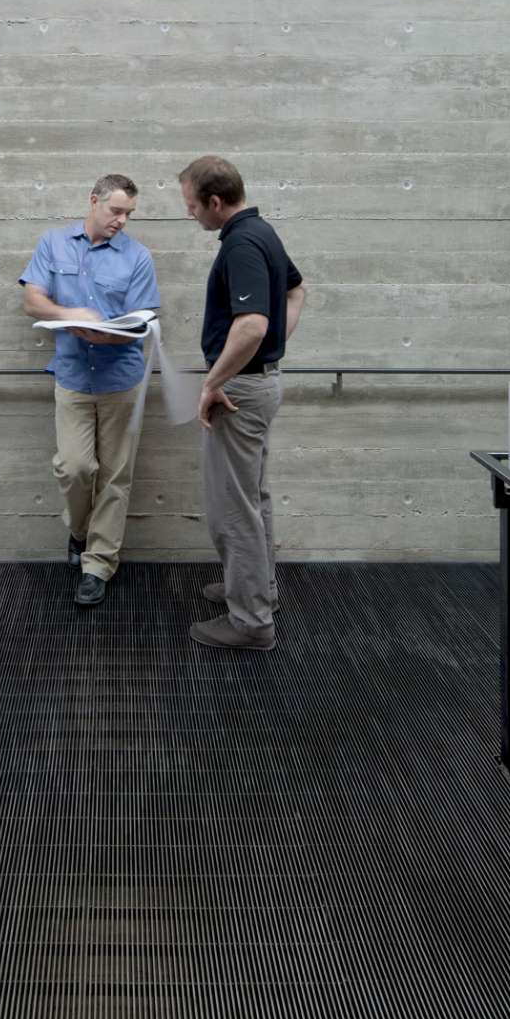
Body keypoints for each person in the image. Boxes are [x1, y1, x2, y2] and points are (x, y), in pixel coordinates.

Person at [177, 156, 306, 651]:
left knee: (234, 507)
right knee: (253, 497)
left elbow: (250, 325)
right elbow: (296, 291)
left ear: (215, 201)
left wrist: (214, 382)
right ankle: (256, 590)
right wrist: (275, 348)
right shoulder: (263, 232)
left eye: (191, 205)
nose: (190, 214)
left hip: (242, 391)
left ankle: (251, 621)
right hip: (259, 382)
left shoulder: (241, 244)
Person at [19, 174, 160, 607]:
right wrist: (70, 313)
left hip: (122, 378)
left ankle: (97, 565)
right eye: (116, 211)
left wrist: (107, 335)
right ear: (93, 200)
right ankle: (79, 531)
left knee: (116, 475)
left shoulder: (138, 257)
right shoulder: (54, 243)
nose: (122, 220)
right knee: (75, 467)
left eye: (128, 214)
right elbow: (33, 301)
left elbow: (143, 319)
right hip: (72, 376)